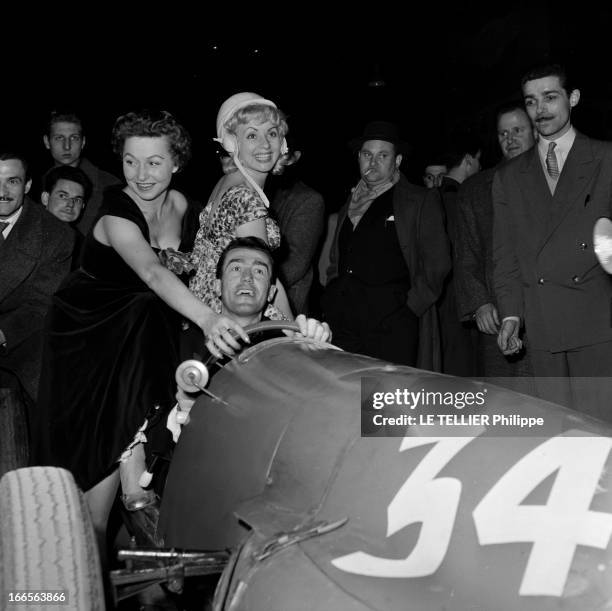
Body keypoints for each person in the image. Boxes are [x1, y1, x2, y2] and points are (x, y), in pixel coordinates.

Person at [34, 110, 249, 562]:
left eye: (153, 162)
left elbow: (214, 265)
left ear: (176, 163)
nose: (140, 174)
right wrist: (210, 321)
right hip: (88, 343)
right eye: (131, 161)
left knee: (142, 469)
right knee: (94, 486)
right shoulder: (116, 211)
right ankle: (80, 577)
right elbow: (152, 272)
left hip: (143, 341)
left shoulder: (183, 207)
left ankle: (137, 549)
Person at [159, 236, 331, 548]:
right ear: (216, 284)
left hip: (272, 490)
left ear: (272, 292)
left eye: (260, 271)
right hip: (198, 490)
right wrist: (185, 401)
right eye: (236, 268)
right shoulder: (179, 341)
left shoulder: (290, 345)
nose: (248, 278)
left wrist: (318, 350)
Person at [493, 63, 612, 420]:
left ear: (573, 98)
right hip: (543, 328)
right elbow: (506, 256)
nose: (540, 110)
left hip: (598, 324)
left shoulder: (606, 158)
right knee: (560, 436)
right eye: (531, 102)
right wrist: (511, 316)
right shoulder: (509, 177)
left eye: (550, 97)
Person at [322, 121, 451, 369]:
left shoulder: (419, 200)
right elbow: (336, 259)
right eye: (367, 155)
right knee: (348, 397)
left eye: (383, 155)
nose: (373, 162)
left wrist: (409, 309)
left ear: (398, 160)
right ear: (358, 157)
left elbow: (438, 263)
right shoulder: (349, 202)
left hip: (391, 324)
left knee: (386, 401)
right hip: (344, 323)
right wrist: (333, 294)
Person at [189, 92, 292, 319]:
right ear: (232, 143)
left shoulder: (227, 182)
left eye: (272, 133)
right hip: (235, 318)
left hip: (213, 312)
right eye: (252, 135)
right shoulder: (245, 198)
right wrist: (295, 335)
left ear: (282, 142)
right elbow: (264, 276)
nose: (265, 144)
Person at [454, 102, 535, 380]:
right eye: (503, 134)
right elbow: (466, 254)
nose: (510, 139)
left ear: (535, 131)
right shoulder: (475, 190)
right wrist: (479, 303)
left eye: (517, 130)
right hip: (499, 317)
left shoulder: (557, 180)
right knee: (506, 406)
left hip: (551, 315)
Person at [0, 151, 73, 416]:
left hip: (19, 339)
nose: (3, 191)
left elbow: (39, 306)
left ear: (28, 185)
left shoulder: (55, 235)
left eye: (12, 181)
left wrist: (2, 333)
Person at [437, 133, 482, 376]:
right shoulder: (460, 200)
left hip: (443, 305)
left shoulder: (433, 197)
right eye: (478, 160)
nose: (480, 167)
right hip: (460, 304)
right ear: (468, 160)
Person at [43, 110, 121, 235]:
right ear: (47, 142)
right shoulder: (38, 184)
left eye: (74, 138)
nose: (67, 146)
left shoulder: (110, 186)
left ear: (83, 142)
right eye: (59, 138)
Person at [268, 144, 325, 314]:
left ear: (294, 157)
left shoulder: (308, 200)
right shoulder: (264, 192)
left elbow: (296, 263)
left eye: (283, 153)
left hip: (285, 310)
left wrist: (257, 285)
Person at [40, 165, 93, 268]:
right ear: (45, 198)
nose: (70, 204)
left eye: (77, 200)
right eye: (63, 196)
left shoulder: (81, 246)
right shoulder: (23, 227)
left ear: (83, 206)